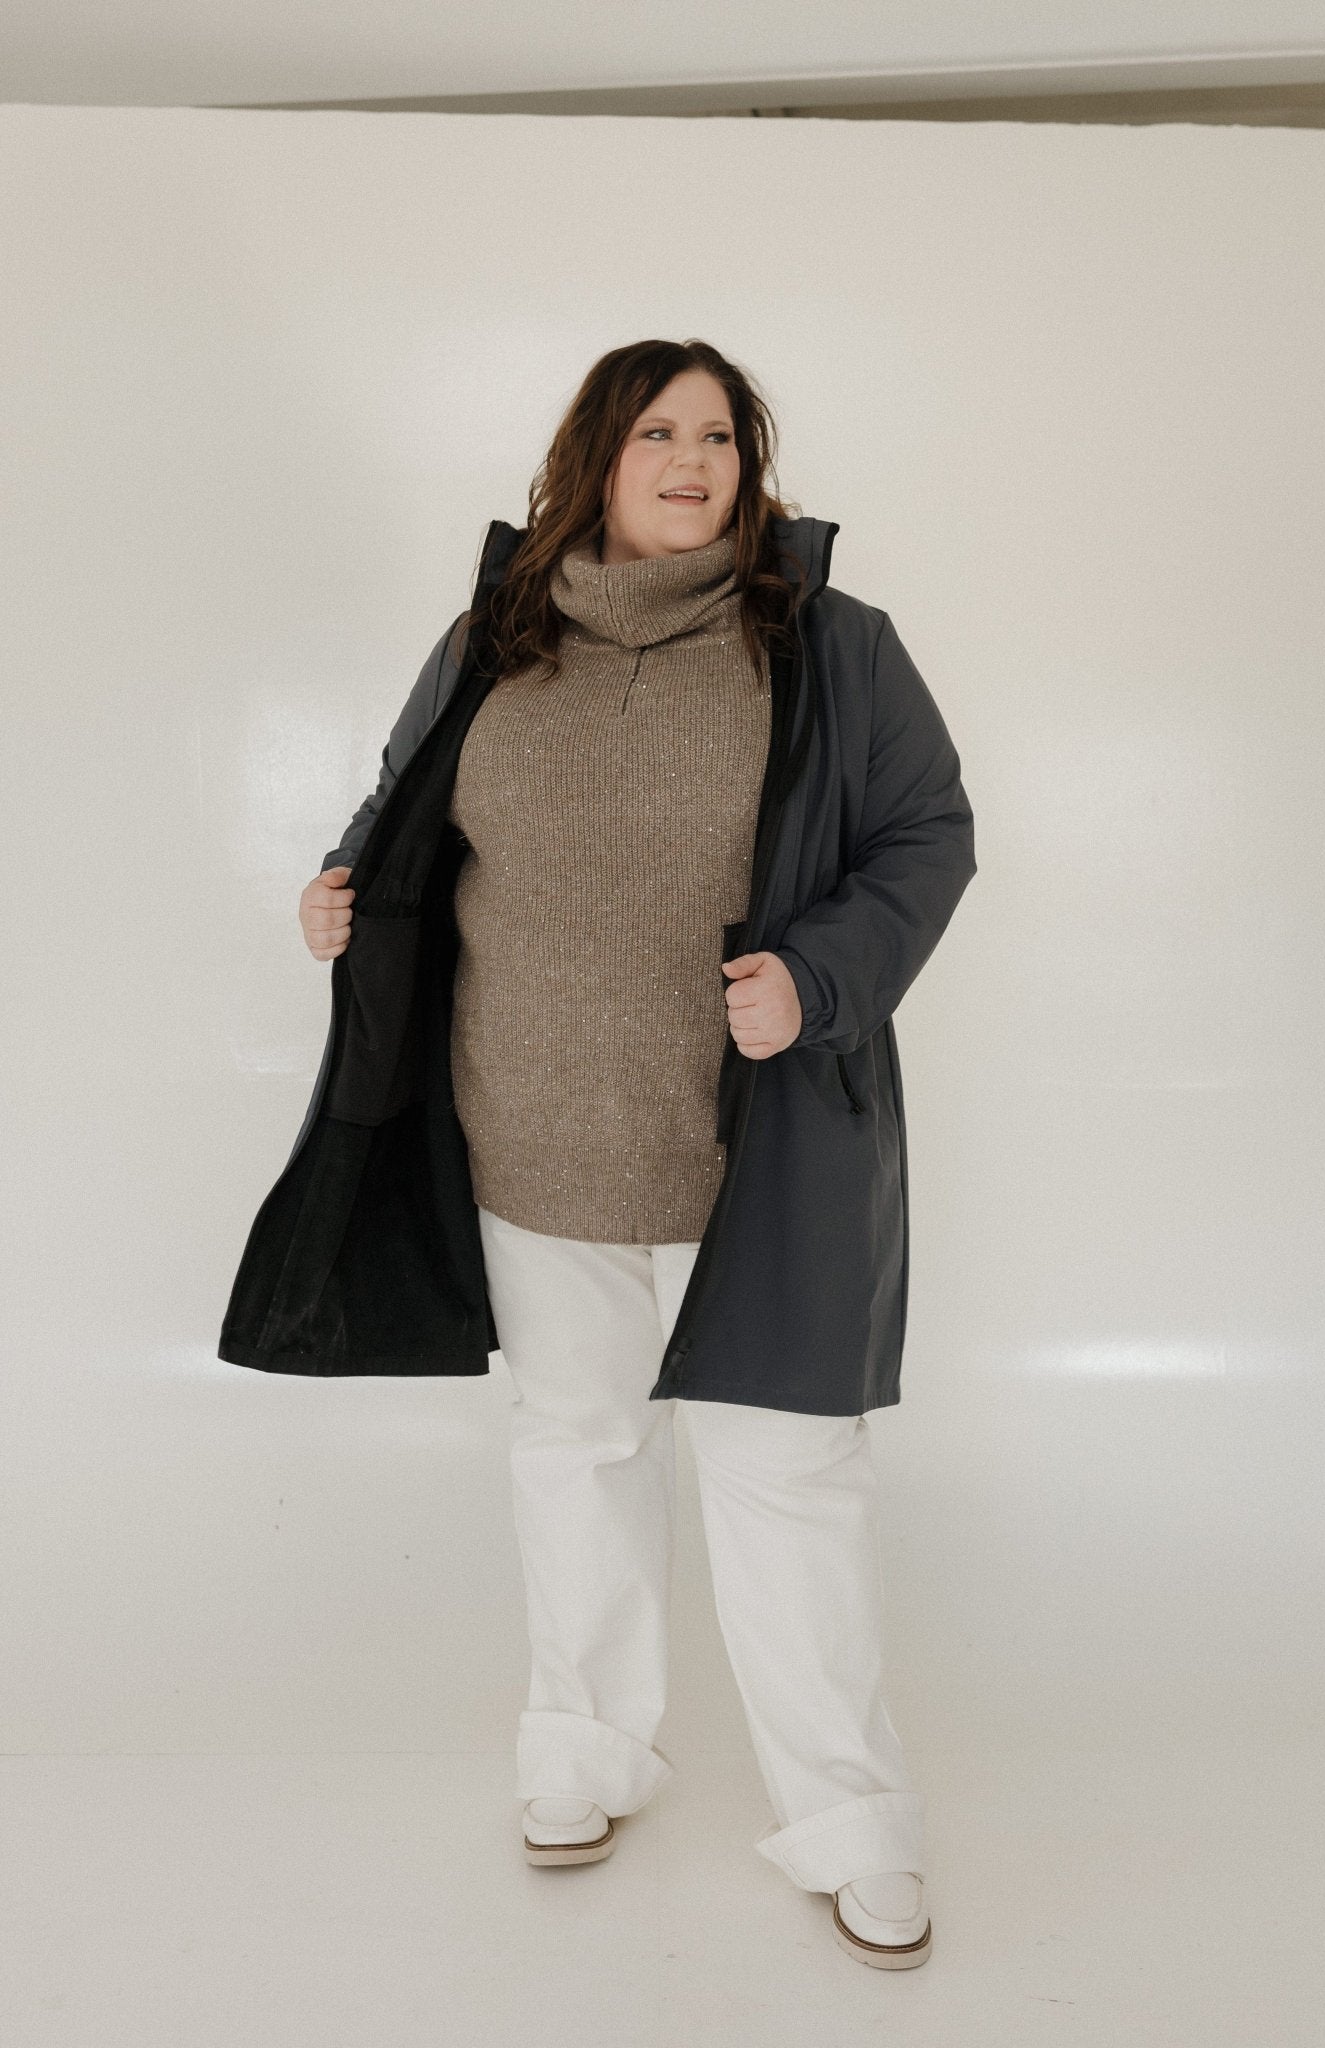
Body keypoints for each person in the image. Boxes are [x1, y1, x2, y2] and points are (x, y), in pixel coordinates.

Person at [225, 336, 976, 1971]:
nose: (691, 462)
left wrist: (818, 978)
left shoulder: (831, 644)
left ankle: (851, 1821)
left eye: (717, 435)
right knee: (576, 1451)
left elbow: (927, 834)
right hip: (529, 1135)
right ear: (596, 459)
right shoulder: (494, 636)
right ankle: (584, 1750)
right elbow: (404, 804)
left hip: (758, 1151)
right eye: (657, 434)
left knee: (791, 1485)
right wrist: (339, 891)